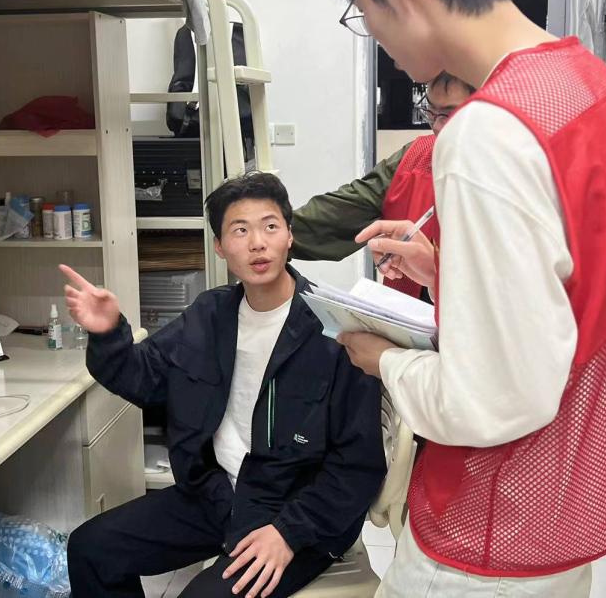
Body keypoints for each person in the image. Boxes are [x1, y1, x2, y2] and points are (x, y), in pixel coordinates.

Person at [319, 0, 606, 597]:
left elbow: (491, 399)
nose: (374, 35)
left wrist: (382, 361)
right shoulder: (589, 85)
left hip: (492, 521)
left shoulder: (485, 134)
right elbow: (573, 285)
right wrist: (446, 272)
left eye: (362, 11)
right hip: (567, 494)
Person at [62, 172, 386, 598]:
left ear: (290, 235)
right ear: (219, 246)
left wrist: (289, 532)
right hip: (215, 496)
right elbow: (145, 379)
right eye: (240, 230)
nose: (257, 243)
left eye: (270, 226)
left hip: (291, 515)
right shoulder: (209, 315)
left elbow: (358, 465)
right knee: (91, 549)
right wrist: (108, 334)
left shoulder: (336, 331)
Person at [290, 72, 475, 298]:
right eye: (430, 112)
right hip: (409, 313)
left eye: (449, 115)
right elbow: (346, 209)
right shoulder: (417, 158)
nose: (436, 127)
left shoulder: (508, 175)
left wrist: (439, 276)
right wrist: (274, 233)